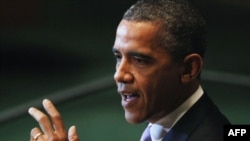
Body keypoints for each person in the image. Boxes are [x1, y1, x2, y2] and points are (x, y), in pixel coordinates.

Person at [28, 0, 231, 141]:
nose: (119, 74)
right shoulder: (167, 121)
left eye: (140, 60)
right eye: (119, 57)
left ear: (188, 69)